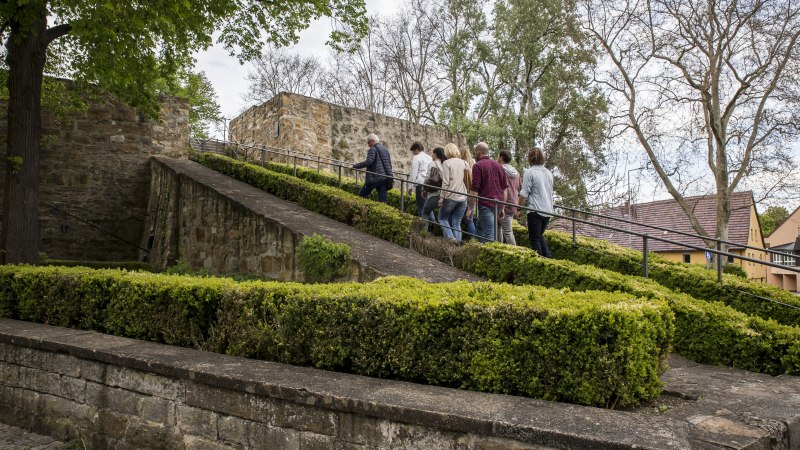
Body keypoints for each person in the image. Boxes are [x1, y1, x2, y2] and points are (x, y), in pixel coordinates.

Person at [469, 142, 508, 243]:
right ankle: (477, 250)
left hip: (486, 203)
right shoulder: (499, 166)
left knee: (488, 233)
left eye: (475, 152)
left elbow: (474, 190)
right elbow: (504, 189)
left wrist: (469, 208)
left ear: (478, 152)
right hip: (498, 203)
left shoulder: (477, 166)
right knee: (479, 227)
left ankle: (488, 255)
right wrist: (502, 207)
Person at [518, 147, 554, 257]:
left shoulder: (529, 172)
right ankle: (549, 259)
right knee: (539, 236)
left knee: (534, 239)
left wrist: (518, 208)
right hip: (548, 209)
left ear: (529, 158)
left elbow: (524, 193)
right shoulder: (548, 173)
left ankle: (540, 262)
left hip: (535, 209)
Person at [438, 143, 469, 241]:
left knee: (442, 218)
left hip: (451, 196)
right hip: (463, 196)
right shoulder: (464, 162)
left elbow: (446, 182)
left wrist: (441, 197)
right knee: (457, 222)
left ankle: (451, 239)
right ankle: (457, 245)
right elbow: (469, 175)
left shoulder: (447, 163)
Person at [352, 134, 393, 203]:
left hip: (375, 177)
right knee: (383, 200)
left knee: (362, 194)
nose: (368, 145)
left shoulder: (373, 149)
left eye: (368, 142)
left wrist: (355, 166)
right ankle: (383, 213)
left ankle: (366, 210)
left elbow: (368, 162)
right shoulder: (385, 149)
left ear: (372, 141)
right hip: (385, 177)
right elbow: (389, 163)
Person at [497, 150, 521, 245]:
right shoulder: (516, 172)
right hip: (513, 203)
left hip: (503, 203)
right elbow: (519, 188)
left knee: (507, 231)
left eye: (498, 156)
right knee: (499, 227)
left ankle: (515, 252)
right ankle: (499, 248)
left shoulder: (500, 169)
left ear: (501, 158)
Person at [421, 147, 447, 231]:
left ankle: (424, 232)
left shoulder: (433, 163)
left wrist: (423, 189)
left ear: (435, 154)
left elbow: (427, 178)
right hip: (445, 194)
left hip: (434, 193)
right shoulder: (445, 164)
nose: (432, 155)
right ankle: (434, 230)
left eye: (432, 153)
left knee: (425, 211)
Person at [408, 141, 432, 217]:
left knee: (421, 208)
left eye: (414, 151)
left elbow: (413, 173)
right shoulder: (430, 157)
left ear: (417, 149)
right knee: (428, 207)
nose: (413, 153)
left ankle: (423, 227)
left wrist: (410, 188)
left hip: (420, 183)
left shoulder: (416, 158)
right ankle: (431, 227)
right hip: (429, 183)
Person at [460, 146, 478, 239]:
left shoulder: (461, 165)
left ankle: (473, 239)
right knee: (469, 219)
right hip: (472, 194)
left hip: (463, 193)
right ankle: (473, 240)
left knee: (463, 219)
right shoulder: (473, 164)